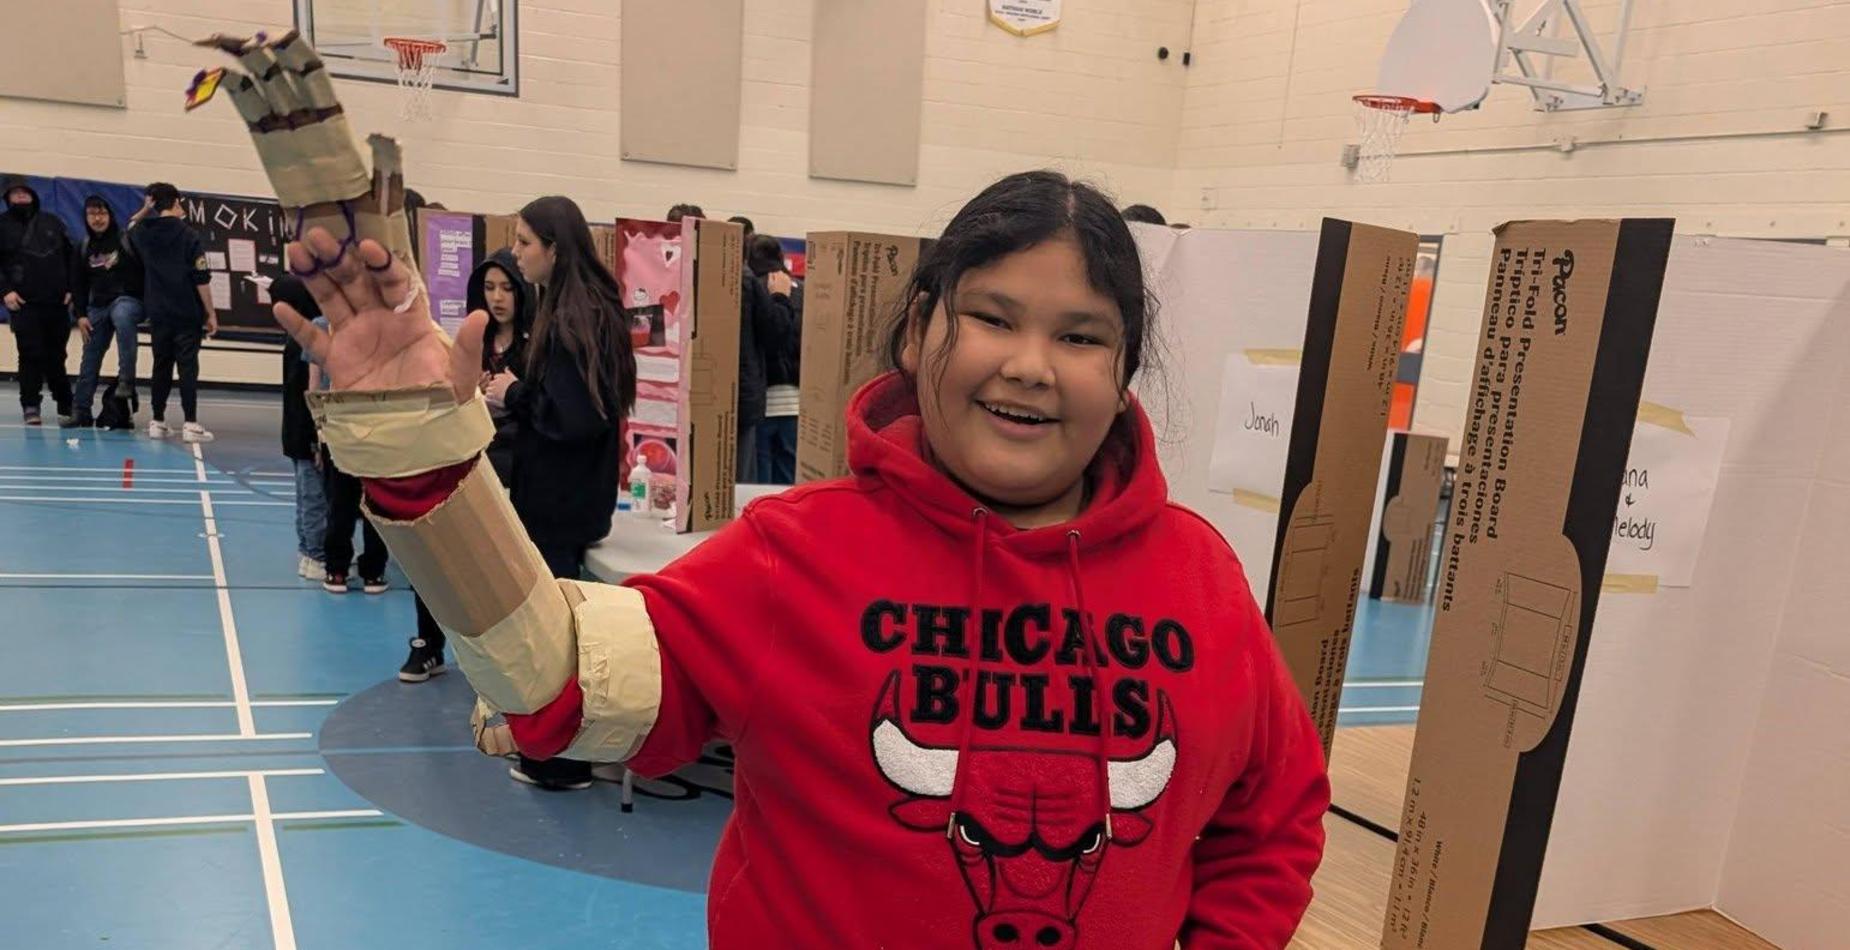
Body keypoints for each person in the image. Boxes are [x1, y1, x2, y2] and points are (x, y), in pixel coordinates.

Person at [279, 170, 1330, 947]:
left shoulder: (1197, 578)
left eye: (1080, 335)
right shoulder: (795, 555)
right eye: (993, 317)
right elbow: (558, 679)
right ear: (920, 331)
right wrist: (422, 453)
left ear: (1123, 369)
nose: (1029, 365)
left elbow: (1272, 812)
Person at [476, 196, 635, 788]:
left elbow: (572, 419)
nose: (516, 254)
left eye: (522, 243)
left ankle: (563, 759)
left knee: (559, 640)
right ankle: (560, 751)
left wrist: (513, 395)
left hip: (562, 503)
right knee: (561, 635)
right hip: (566, 496)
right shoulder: (579, 309)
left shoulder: (576, 319)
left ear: (554, 247)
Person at [400, 247, 534, 684]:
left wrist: (512, 395)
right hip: (467, 458)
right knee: (437, 553)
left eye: (507, 288)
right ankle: (428, 643)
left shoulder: (539, 347)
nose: (497, 297)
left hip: (519, 468)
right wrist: (467, 391)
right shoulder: (468, 342)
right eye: (489, 287)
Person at [665, 203, 789, 482]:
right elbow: (774, 333)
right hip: (734, 397)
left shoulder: (659, 273)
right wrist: (780, 298)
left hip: (677, 394)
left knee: (677, 475)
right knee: (733, 481)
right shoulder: (740, 276)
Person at [127, 182, 217, 442]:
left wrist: (146, 210)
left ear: (153, 203)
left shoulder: (145, 230)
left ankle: (157, 420)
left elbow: (130, 226)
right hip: (186, 311)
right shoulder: (190, 235)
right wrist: (211, 313)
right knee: (188, 367)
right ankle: (190, 423)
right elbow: (201, 278)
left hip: (158, 311)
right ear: (177, 203)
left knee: (161, 365)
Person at [0, 177, 78, 426]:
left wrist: (71, 289)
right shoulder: (1, 225)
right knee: (30, 353)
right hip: (23, 303)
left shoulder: (52, 222)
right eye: (16, 193)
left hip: (56, 303)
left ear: (33, 195)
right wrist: (5, 292)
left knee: (56, 356)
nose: (21, 196)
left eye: (25, 192)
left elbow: (71, 258)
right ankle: (30, 405)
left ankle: (66, 403)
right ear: (8, 197)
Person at [70, 196, 145, 428]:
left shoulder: (126, 239)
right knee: (89, 357)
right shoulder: (83, 247)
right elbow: (78, 285)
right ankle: (80, 411)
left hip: (128, 300)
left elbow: (137, 227)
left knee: (122, 316)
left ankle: (126, 381)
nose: (97, 218)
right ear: (86, 218)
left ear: (110, 215)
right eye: (92, 214)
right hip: (98, 307)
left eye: (101, 213)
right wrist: (80, 315)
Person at [272, 275, 327, 581]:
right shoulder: (302, 346)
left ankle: (308, 551)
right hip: (303, 435)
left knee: (306, 496)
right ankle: (315, 554)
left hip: (295, 434)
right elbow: (306, 395)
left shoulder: (296, 342)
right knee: (314, 497)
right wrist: (313, 439)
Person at [747, 233, 800, 484]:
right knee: (788, 482)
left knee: (759, 483)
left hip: (762, 400)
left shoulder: (750, 289)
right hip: (796, 402)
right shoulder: (802, 289)